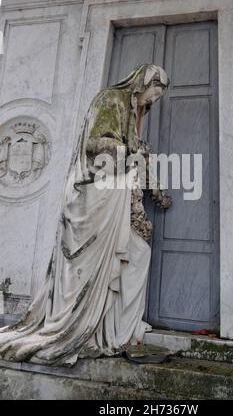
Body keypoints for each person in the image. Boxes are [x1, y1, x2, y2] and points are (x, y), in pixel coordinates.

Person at [0, 63, 171, 366]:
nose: (153, 102)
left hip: (115, 198)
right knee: (89, 273)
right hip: (95, 198)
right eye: (153, 94)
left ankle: (119, 329)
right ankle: (84, 328)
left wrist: (145, 172)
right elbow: (96, 145)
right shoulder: (111, 100)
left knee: (138, 254)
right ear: (144, 82)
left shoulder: (133, 113)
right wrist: (131, 155)